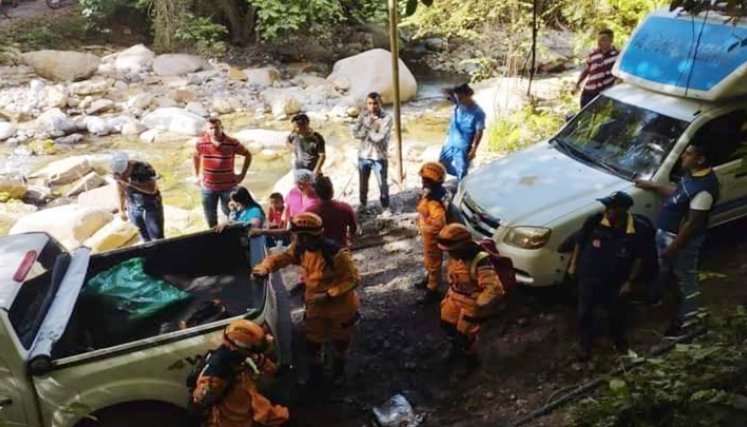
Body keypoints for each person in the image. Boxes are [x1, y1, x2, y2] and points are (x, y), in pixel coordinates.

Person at [253, 213, 360, 386]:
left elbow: (353, 279)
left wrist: (329, 294)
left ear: (307, 236)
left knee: (340, 342)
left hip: (341, 308)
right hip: (315, 306)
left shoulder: (336, 255)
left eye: (297, 235)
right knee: (313, 341)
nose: (294, 238)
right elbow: (281, 258)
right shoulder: (300, 249)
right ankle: (317, 378)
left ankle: (338, 373)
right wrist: (264, 268)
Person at [635, 143, 720, 337]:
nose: (683, 157)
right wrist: (654, 186)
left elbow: (692, 224)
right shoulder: (692, 177)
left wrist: (674, 247)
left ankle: (687, 321)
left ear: (700, 159)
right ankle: (659, 300)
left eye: (688, 154)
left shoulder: (705, 188)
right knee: (666, 271)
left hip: (680, 241)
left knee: (685, 278)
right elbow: (678, 195)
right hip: (668, 236)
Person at [567, 192, 651, 361]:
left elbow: (640, 258)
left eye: (610, 208)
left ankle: (619, 344)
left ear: (622, 210)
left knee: (616, 313)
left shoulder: (637, 229)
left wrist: (629, 281)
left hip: (616, 280)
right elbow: (579, 242)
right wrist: (573, 264)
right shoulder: (595, 220)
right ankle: (585, 345)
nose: (606, 210)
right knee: (584, 312)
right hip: (589, 274)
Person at [190, 319, 289, 427]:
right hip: (234, 419)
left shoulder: (234, 354)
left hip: (246, 407)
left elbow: (260, 360)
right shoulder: (217, 373)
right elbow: (201, 400)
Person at [436, 223, 504, 365]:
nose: (449, 253)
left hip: (471, 305)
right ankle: (456, 347)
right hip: (454, 296)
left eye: (451, 250)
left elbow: (494, 289)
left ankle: (470, 360)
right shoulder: (456, 256)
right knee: (447, 323)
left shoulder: (481, 262)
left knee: (466, 336)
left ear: (461, 246)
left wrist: (479, 304)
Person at [194, 118, 252, 228]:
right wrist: (197, 175)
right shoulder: (201, 142)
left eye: (216, 127)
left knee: (231, 214)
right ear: (206, 130)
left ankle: (231, 238)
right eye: (211, 128)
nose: (214, 130)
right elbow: (196, 156)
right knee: (210, 216)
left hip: (228, 186)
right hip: (208, 187)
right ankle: (213, 238)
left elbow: (248, 155)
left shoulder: (232, 142)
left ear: (222, 128)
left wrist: (242, 174)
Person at [352, 92, 393, 213]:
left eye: (375, 103)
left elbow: (379, 137)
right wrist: (366, 132)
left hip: (379, 156)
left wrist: (367, 130)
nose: (373, 106)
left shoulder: (386, 117)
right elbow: (355, 132)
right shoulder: (363, 115)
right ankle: (363, 204)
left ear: (380, 103)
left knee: (382, 184)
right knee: (363, 184)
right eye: (370, 103)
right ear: (366, 104)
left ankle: (385, 207)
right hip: (363, 155)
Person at [415, 162, 449, 304]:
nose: (422, 181)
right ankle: (429, 278)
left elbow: (438, 222)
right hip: (428, 234)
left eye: (424, 179)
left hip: (432, 236)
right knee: (429, 261)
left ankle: (432, 290)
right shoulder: (434, 192)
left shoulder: (434, 200)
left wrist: (428, 231)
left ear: (431, 181)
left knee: (433, 262)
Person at [111, 152, 164, 242]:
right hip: (133, 206)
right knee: (143, 235)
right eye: (120, 174)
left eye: (124, 173)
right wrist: (121, 209)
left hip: (151, 205)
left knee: (157, 236)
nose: (122, 176)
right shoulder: (117, 172)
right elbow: (119, 189)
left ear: (128, 166)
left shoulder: (144, 168)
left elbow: (152, 189)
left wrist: (129, 183)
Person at [439, 83, 486, 182]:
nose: (458, 101)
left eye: (461, 98)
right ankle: (466, 178)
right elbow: (444, 92)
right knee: (442, 165)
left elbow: (479, 132)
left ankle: (463, 185)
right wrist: (451, 92)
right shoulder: (459, 103)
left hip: (462, 147)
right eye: (457, 98)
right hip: (450, 142)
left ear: (468, 95)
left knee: (461, 171)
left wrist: (474, 150)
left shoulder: (478, 113)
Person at [575, 28, 619, 108]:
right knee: (584, 116)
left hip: (602, 94)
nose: (599, 42)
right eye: (598, 40)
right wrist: (578, 83)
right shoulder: (593, 54)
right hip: (588, 91)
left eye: (602, 40)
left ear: (611, 40)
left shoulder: (617, 57)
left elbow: (618, 77)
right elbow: (587, 70)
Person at [308, 176, 358, 247]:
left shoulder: (310, 213)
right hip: (341, 249)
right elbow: (353, 228)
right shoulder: (345, 208)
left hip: (321, 252)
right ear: (332, 191)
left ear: (316, 193)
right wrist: (349, 240)